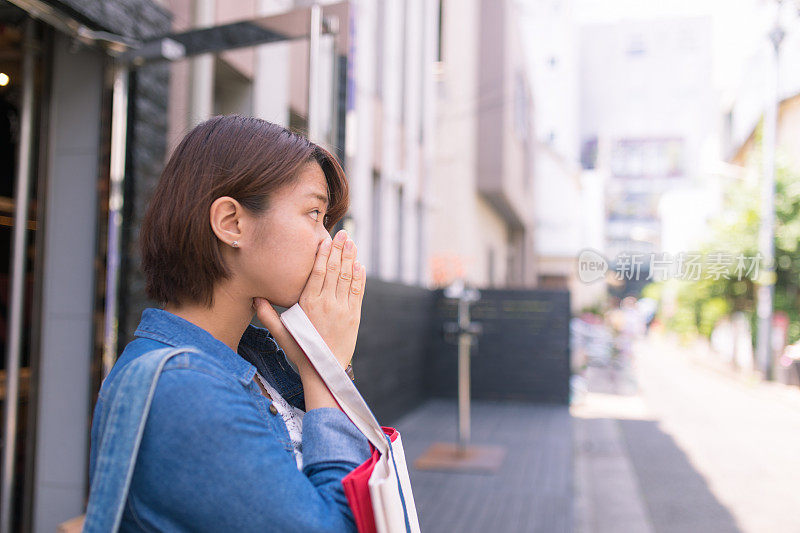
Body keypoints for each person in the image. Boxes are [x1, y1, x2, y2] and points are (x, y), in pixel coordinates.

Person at [88, 115, 371, 532]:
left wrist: (324, 366)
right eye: (314, 213)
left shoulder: (254, 357)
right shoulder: (183, 388)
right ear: (231, 223)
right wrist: (325, 372)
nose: (327, 243)